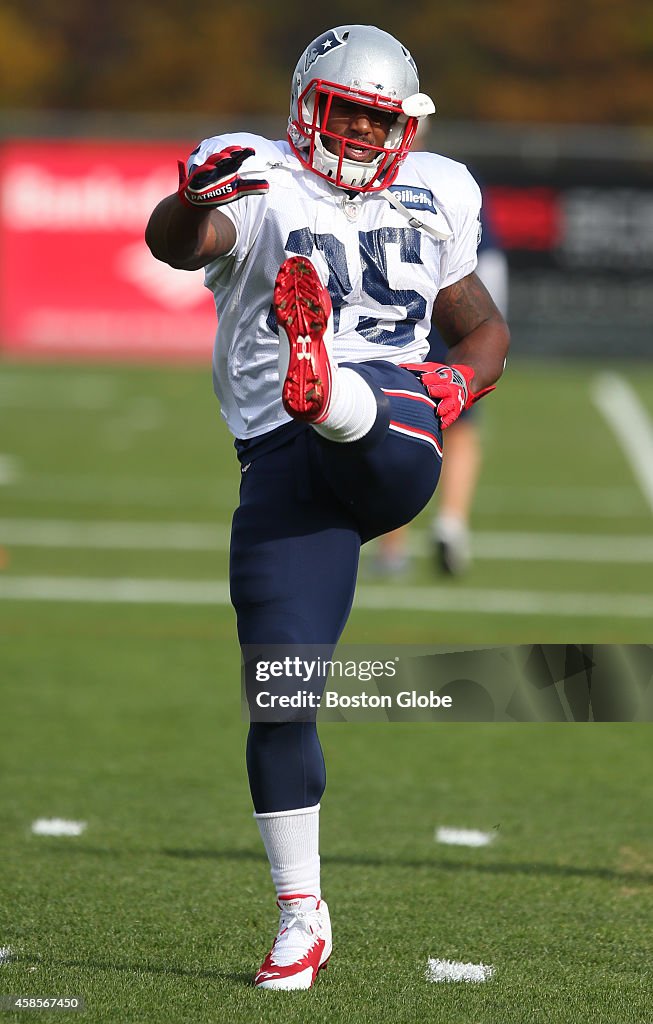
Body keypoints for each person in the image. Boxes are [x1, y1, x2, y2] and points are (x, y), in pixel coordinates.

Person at [145, 24, 509, 991]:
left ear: (404, 126)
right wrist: (187, 200)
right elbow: (183, 247)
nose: (354, 134)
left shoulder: (440, 189)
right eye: (341, 111)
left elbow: (480, 328)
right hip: (279, 461)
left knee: (366, 403)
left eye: (372, 118)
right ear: (307, 105)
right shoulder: (262, 178)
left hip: (395, 431)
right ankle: (301, 915)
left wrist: (457, 387)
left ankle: (331, 387)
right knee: (278, 693)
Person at [376, 207, 509, 576]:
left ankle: (394, 544)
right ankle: (449, 524)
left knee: (394, 423)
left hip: (402, 320)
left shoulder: (447, 180)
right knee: (457, 423)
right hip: (441, 317)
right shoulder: (449, 180)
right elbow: (491, 263)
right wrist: (488, 327)